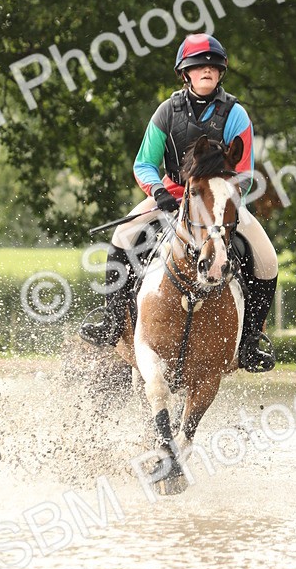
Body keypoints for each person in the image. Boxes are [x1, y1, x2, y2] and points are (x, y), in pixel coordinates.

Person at [79, 33, 279, 372]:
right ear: (185, 73)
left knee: (268, 260)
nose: (206, 71)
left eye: (213, 67)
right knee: (122, 238)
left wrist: (223, 202)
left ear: (220, 74)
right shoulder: (166, 113)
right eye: (198, 66)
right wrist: (158, 192)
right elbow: (144, 162)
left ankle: (249, 343)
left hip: (219, 200)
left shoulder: (236, 115)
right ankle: (112, 323)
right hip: (171, 195)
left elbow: (243, 172)